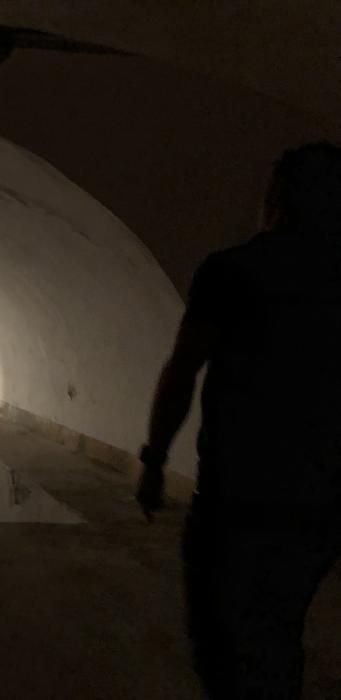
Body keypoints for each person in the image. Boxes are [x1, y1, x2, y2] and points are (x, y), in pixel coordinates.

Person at [137, 141, 341, 698]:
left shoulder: (237, 270)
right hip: (322, 495)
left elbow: (183, 370)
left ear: (276, 198)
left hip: (240, 490)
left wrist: (154, 460)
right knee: (280, 629)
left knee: (222, 638)